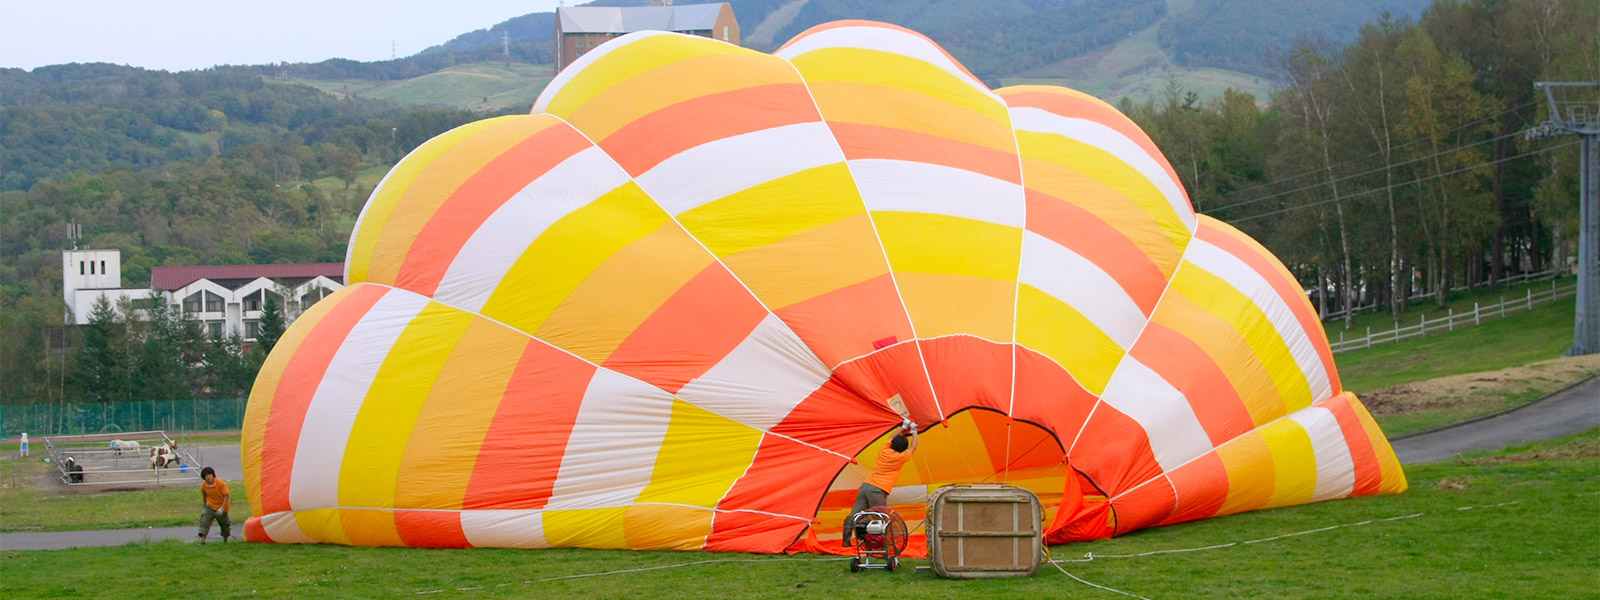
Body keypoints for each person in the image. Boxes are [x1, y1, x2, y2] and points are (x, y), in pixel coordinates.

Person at [843, 422, 918, 547]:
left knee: (856, 515)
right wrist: (915, 431)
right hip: (878, 489)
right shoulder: (900, 458)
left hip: (866, 486)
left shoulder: (884, 450)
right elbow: (913, 447)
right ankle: (883, 543)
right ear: (902, 449)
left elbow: (890, 438)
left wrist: (904, 427)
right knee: (881, 517)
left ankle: (846, 541)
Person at [197, 466, 230, 544]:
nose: (208, 477)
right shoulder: (204, 485)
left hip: (222, 507)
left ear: (213, 475)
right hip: (210, 506)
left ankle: (225, 540)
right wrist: (204, 505)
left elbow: (226, 495)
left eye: (209, 474)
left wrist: (222, 508)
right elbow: (204, 495)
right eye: (205, 476)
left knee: (224, 524)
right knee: (204, 521)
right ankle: (203, 541)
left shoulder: (220, 483)